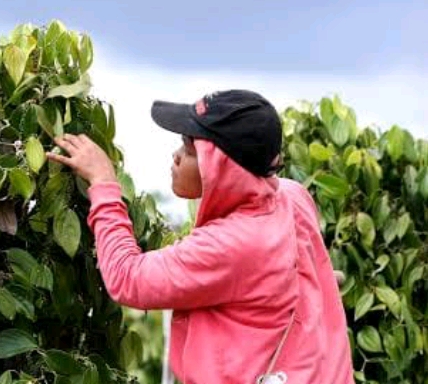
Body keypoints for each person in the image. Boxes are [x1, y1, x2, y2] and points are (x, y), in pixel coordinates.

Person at [46, 89, 354, 384]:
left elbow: (127, 277)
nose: (176, 156)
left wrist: (103, 182)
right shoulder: (292, 195)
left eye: (190, 149)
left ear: (221, 167)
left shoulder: (228, 244)